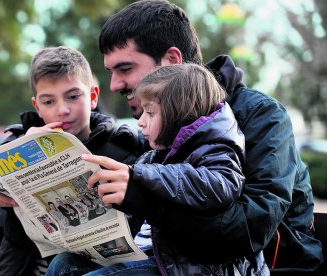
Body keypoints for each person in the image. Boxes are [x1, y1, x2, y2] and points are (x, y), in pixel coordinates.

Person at [94, 0, 324, 274]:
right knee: (66, 264)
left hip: (272, 268)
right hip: (173, 260)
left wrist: (142, 197)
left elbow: (245, 232)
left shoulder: (261, 116)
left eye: (125, 69)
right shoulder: (158, 123)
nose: (114, 85)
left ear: (171, 61)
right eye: (111, 72)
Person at [47, 63, 269, 275]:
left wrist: (140, 177)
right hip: (149, 254)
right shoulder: (153, 156)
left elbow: (219, 185)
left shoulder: (216, 148)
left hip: (189, 267)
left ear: (179, 114)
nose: (141, 122)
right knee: (63, 264)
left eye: (150, 113)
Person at [0, 46, 141, 276]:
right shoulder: (20, 140)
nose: (62, 109)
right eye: (49, 102)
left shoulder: (122, 150)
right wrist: (20, 145)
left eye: (73, 96)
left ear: (92, 97)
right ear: (37, 107)